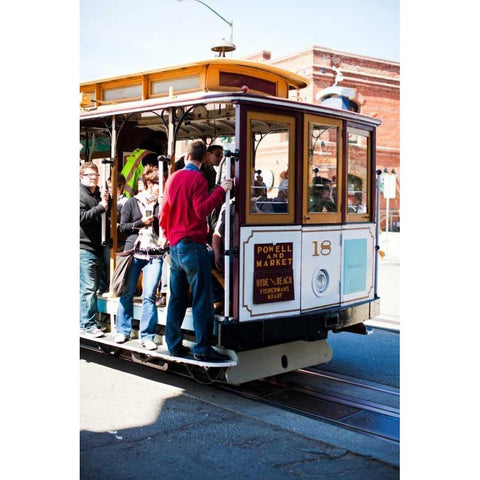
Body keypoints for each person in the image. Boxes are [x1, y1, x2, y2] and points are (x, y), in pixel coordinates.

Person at [160, 139, 232, 362]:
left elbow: (163, 212)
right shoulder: (198, 178)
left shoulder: (173, 178)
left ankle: (173, 344)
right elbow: (201, 211)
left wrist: (167, 234)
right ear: (204, 158)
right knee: (202, 299)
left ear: (187, 155)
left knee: (177, 299)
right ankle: (202, 348)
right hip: (193, 245)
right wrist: (221, 190)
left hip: (175, 246)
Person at [114, 165, 164, 350]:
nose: (162, 186)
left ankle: (147, 336)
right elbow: (122, 227)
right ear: (149, 183)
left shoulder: (161, 204)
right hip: (134, 253)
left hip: (155, 253)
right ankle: (122, 330)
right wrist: (140, 223)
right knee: (127, 292)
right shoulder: (132, 202)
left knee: (149, 295)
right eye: (159, 183)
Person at [80, 162, 109, 337]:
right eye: (89, 175)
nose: (93, 177)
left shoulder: (97, 193)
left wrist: (106, 201)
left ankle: (89, 321)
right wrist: (100, 207)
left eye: (95, 174)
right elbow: (81, 218)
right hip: (84, 247)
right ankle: (87, 325)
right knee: (88, 289)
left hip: (97, 247)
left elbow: (105, 211)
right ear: (81, 177)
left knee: (92, 288)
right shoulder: (79, 194)